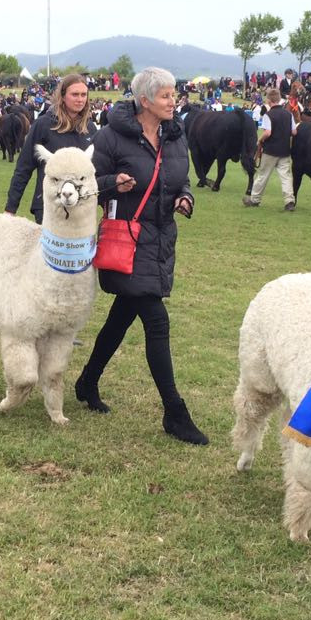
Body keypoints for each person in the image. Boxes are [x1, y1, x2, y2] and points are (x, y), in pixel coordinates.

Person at [72, 67, 207, 446]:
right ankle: (174, 412)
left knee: (121, 318)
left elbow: (182, 180)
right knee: (156, 321)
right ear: (144, 100)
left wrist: (185, 198)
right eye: (165, 95)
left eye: (174, 94)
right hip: (126, 237)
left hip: (161, 239)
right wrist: (112, 183)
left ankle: (87, 382)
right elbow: (84, 185)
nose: (173, 101)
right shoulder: (111, 138)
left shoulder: (174, 135)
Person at [5, 74, 96, 224]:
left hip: (81, 209)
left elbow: (96, 172)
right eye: (74, 94)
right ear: (63, 96)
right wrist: (10, 208)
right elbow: (24, 167)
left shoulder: (90, 129)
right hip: (49, 207)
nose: (80, 99)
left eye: (83, 94)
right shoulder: (43, 125)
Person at [243, 87, 295, 211]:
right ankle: (289, 201)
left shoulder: (268, 115)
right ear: (279, 99)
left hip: (270, 151)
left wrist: (260, 140)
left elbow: (268, 132)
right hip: (285, 151)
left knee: (263, 176)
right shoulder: (289, 114)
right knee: (286, 177)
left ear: (269, 101)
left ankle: (254, 199)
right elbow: (294, 131)